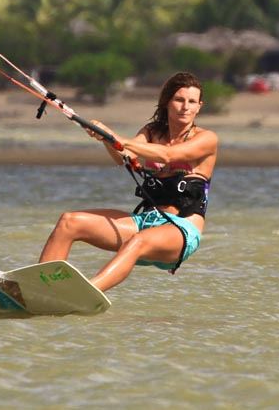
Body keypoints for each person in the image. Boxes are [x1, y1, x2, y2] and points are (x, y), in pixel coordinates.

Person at [38, 72, 218, 292]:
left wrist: (119, 139)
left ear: (199, 106)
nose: (185, 107)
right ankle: (43, 288)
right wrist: (105, 137)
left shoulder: (207, 138)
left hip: (181, 229)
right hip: (144, 221)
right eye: (179, 100)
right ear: (167, 102)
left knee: (138, 241)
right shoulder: (151, 132)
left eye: (192, 102)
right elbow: (125, 156)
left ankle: (85, 293)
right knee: (69, 222)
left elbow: (168, 156)